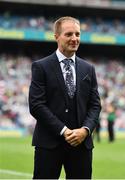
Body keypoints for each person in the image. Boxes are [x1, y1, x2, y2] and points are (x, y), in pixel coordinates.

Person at [29, 16, 101, 179]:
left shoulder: (88, 69)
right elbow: (36, 105)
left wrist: (85, 130)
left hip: (81, 145)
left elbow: (95, 105)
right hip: (49, 144)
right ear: (56, 36)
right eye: (69, 34)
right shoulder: (41, 67)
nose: (74, 38)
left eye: (77, 34)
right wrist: (64, 131)